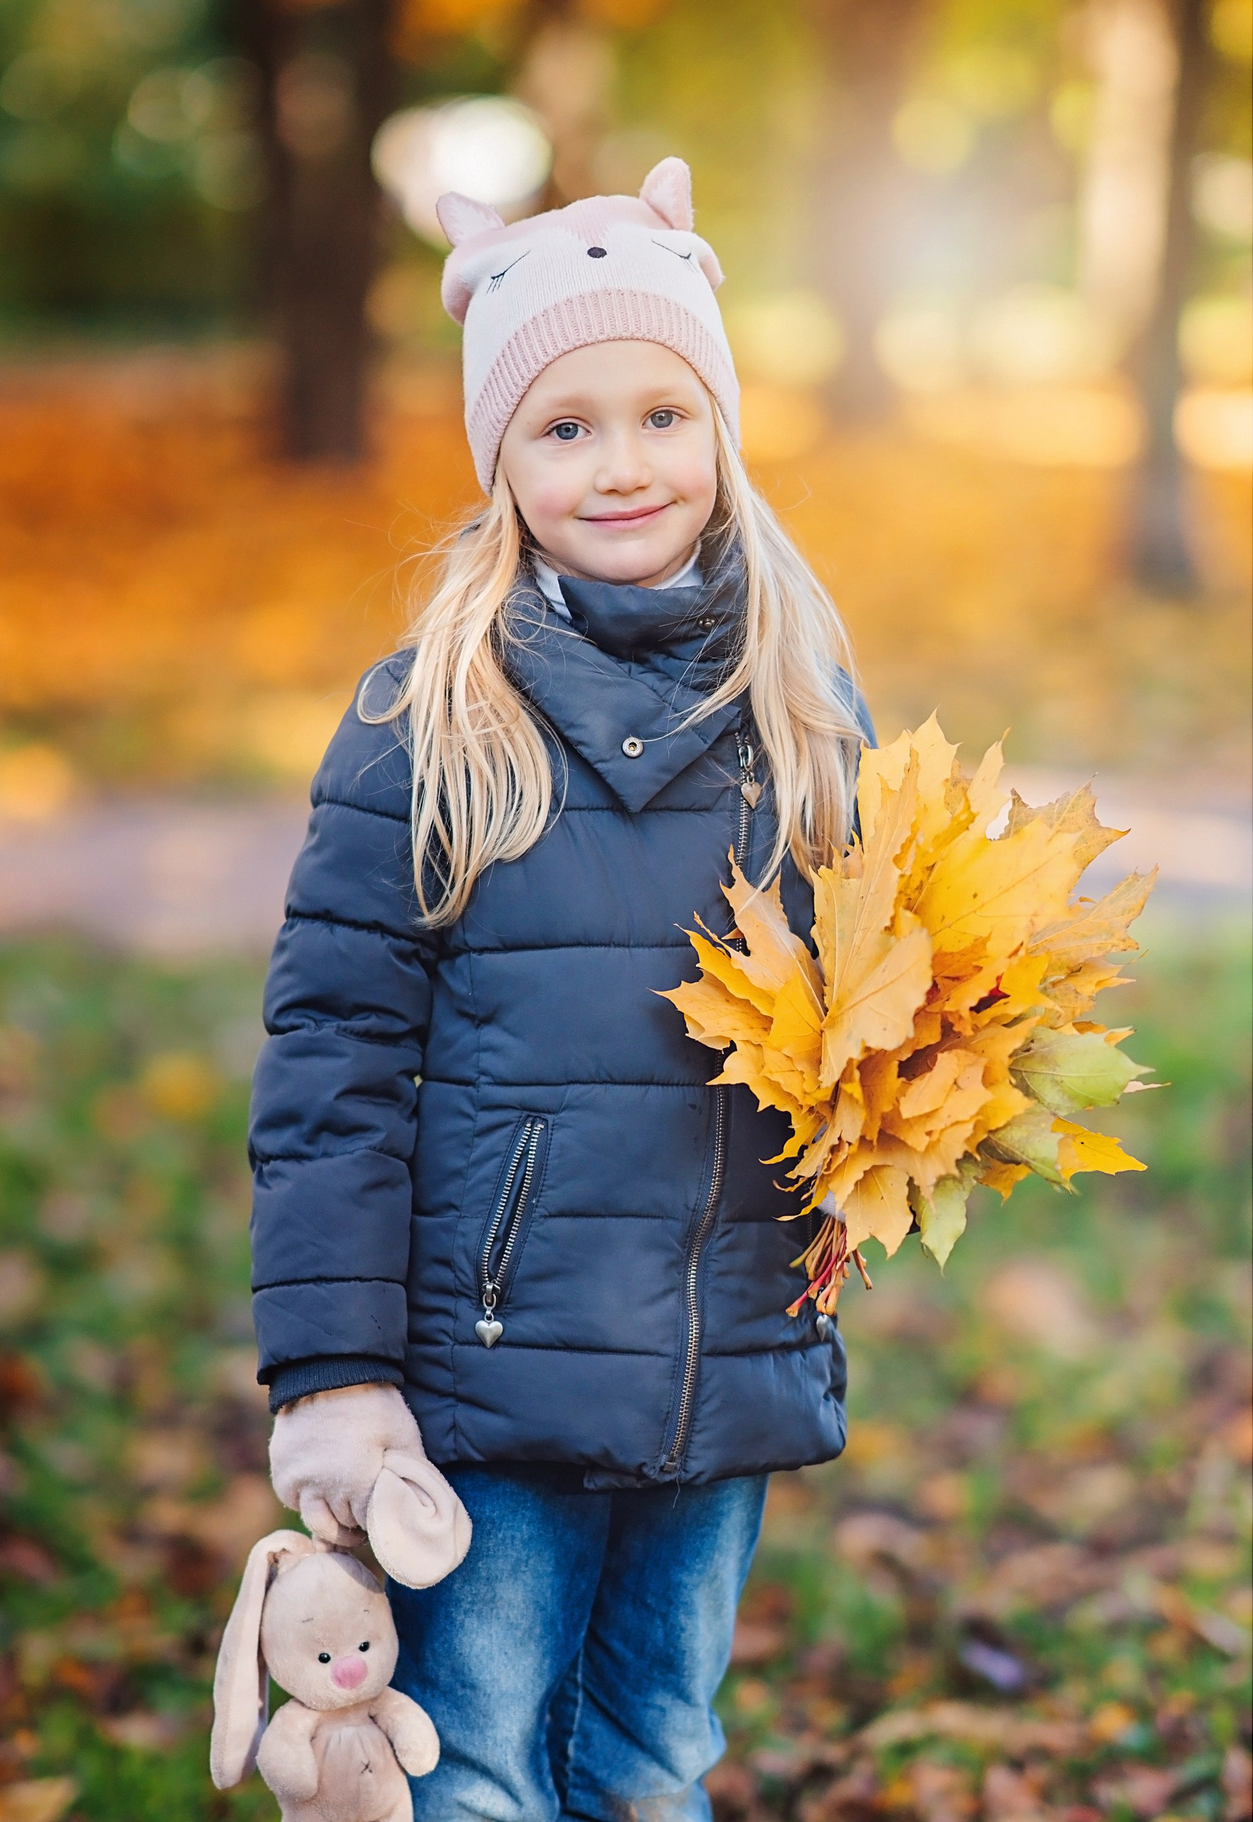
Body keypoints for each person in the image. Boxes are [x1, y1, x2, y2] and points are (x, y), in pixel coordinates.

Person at [248, 160, 881, 1815]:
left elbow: (880, 1005)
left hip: (726, 1349)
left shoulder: (804, 714)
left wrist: (878, 1156)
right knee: (479, 1760)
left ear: (721, 428)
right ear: (501, 459)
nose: (622, 464)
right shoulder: (428, 723)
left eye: (664, 414)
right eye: (565, 425)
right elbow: (331, 1062)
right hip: (494, 1377)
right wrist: (334, 1371)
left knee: (658, 1758)